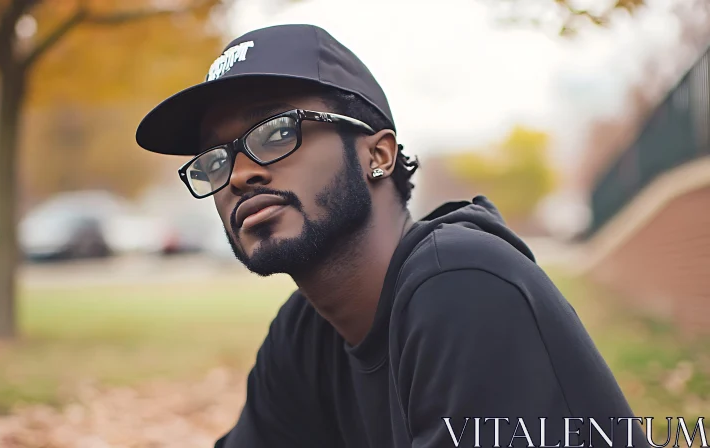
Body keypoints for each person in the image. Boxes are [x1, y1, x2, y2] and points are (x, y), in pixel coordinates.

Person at [136, 24, 646, 448]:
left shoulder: (462, 285)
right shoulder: (306, 334)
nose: (239, 174)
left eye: (275, 132)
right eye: (215, 159)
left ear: (376, 155)